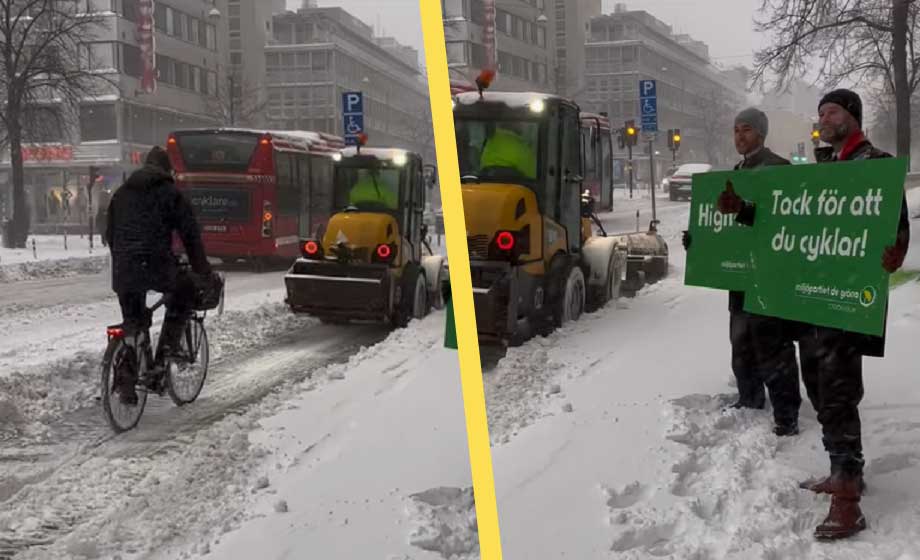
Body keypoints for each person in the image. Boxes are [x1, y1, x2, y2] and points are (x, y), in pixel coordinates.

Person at [718, 89, 910, 540]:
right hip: (813, 300)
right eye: (821, 112)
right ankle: (845, 470)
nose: (824, 118)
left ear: (852, 116)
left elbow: (895, 225)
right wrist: (743, 210)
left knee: (839, 394)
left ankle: (848, 502)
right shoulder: (821, 169)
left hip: (846, 299)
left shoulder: (875, 163)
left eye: (833, 111)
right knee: (821, 389)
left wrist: (897, 249)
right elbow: (784, 220)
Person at [683, 108, 803, 436]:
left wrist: (744, 210)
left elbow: (780, 219)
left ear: (761, 133)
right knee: (741, 343)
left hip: (769, 273)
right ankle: (749, 397)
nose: (739, 136)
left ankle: (786, 414)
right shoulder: (736, 172)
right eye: (736, 130)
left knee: (773, 345)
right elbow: (724, 225)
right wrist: (699, 241)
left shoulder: (779, 168)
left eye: (746, 129)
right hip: (740, 275)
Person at [104, 146, 214, 405]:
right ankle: (163, 359)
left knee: (133, 320)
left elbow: (110, 233)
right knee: (183, 291)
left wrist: (124, 257)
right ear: (167, 170)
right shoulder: (170, 194)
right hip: (154, 263)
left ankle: (127, 372)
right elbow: (190, 236)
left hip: (124, 266)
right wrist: (203, 271)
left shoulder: (121, 193)